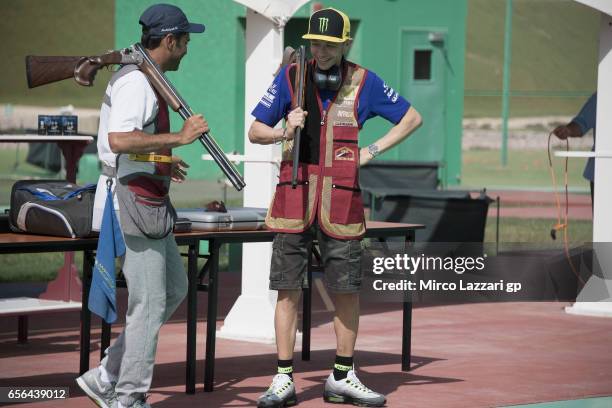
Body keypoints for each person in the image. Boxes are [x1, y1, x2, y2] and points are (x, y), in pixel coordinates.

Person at [248, 8, 422, 408]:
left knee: (346, 291)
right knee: (286, 290)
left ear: (345, 44)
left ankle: (342, 376)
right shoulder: (291, 76)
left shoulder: (365, 81)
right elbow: (255, 130)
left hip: (342, 204)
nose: (320, 52)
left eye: (329, 45)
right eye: (314, 43)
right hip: (293, 201)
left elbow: (412, 117)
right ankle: (283, 379)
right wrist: (282, 129)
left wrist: (372, 150)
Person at [77, 4, 208, 408]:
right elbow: (119, 141)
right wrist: (178, 140)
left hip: (145, 197)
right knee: (147, 303)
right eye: (185, 41)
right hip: (134, 202)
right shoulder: (137, 81)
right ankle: (128, 397)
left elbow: (131, 144)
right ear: (169, 41)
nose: (187, 48)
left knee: (174, 288)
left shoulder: (142, 77)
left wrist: (164, 160)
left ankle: (107, 376)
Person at [552, 93, 597, 206]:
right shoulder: (604, 94)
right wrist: (568, 130)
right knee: (602, 220)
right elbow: (582, 123)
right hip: (602, 172)